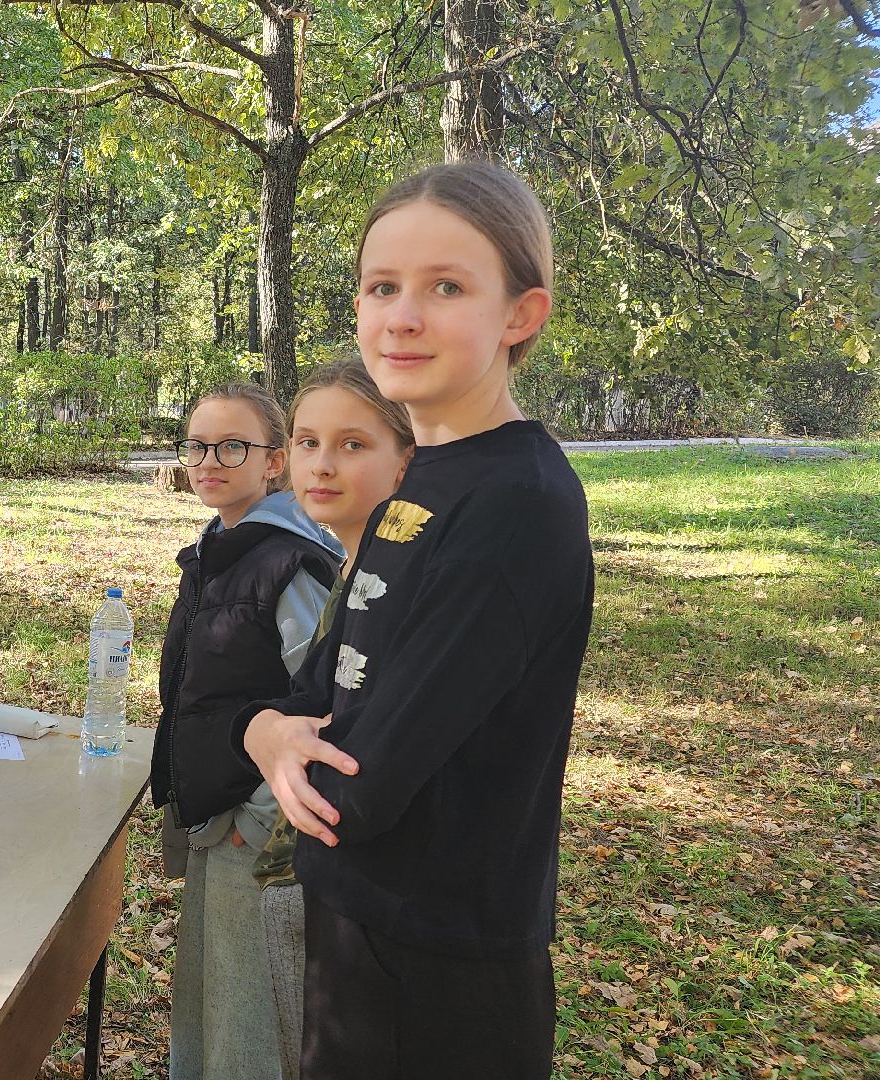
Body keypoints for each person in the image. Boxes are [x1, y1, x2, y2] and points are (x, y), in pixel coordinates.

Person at [238, 162, 593, 1079]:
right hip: (360, 926)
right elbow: (324, 681)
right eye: (382, 287)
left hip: (440, 967)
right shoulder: (425, 474)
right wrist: (270, 729)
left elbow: (353, 783)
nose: (402, 315)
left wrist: (276, 736)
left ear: (520, 316)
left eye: (446, 287)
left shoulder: (518, 501)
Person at [153, 383, 341, 1080]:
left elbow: (321, 707)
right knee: (204, 1007)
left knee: (245, 1030)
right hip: (213, 819)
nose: (210, 460)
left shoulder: (292, 561)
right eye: (197, 445)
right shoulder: (216, 550)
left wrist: (259, 820)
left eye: (233, 446)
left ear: (275, 461)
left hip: (253, 831)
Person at [248, 358, 413, 1079]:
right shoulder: (349, 566)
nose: (322, 464)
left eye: (353, 444)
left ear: (407, 462)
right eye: (308, 442)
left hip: (358, 890)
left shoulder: (396, 586)